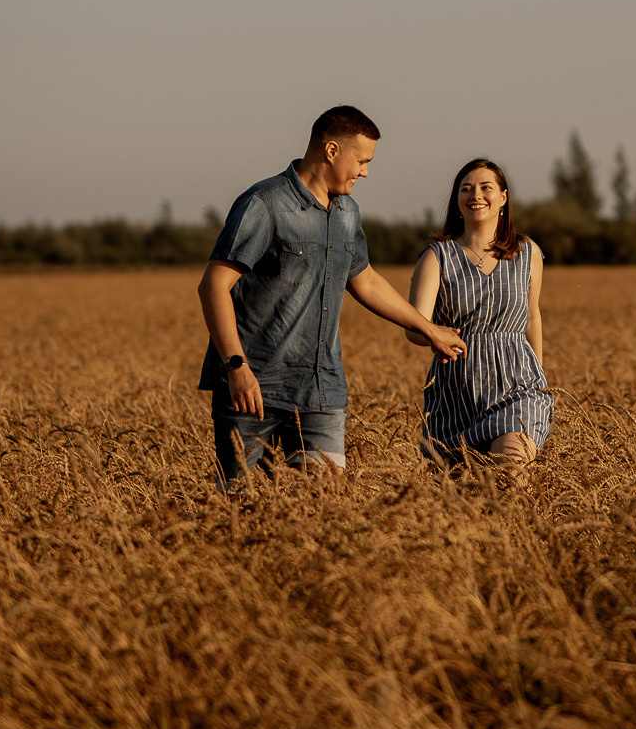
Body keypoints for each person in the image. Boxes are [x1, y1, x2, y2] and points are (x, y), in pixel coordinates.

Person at [196, 106, 466, 485]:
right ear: (332, 151)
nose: (366, 172)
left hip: (322, 391)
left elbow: (366, 280)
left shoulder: (347, 213)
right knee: (245, 511)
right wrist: (236, 367)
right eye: (362, 161)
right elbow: (213, 285)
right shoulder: (265, 204)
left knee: (325, 508)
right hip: (253, 389)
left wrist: (430, 329)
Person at [405, 158, 552, 469]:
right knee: (461, 501)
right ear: (457, 201)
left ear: (503, 197)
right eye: (466, 189)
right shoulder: (437, 257)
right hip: (456, 395)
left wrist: (540, 381)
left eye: (486, 188)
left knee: (510, 471)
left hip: (518, 388)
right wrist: (434, 334)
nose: (476, 196)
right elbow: (413, 326)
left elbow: (532, 317)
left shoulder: (529, 253)